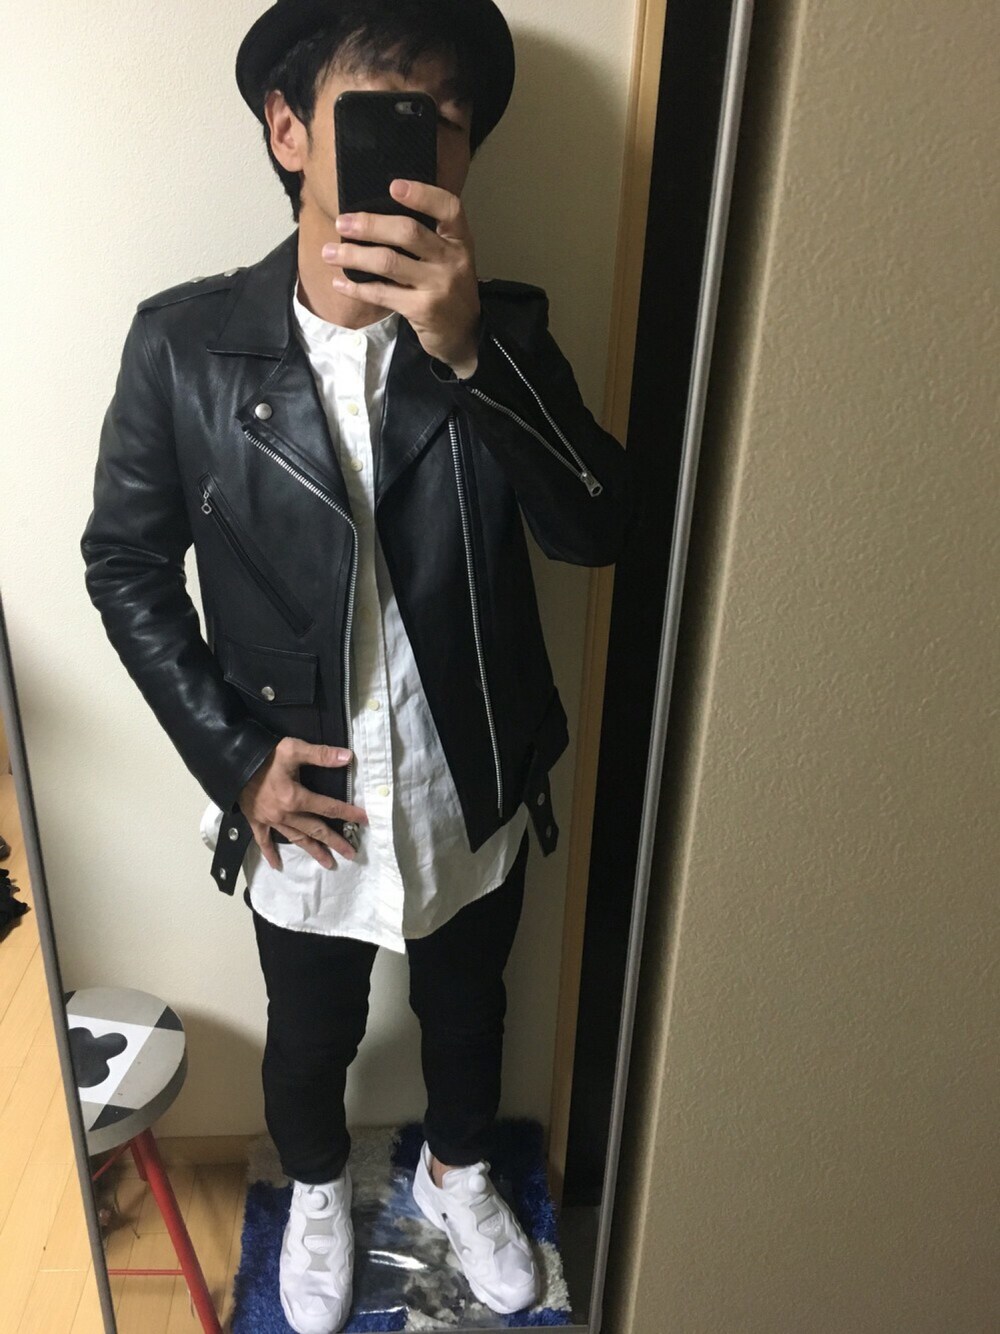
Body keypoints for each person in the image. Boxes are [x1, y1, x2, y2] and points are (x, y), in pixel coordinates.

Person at [80, 0, 633, 1329]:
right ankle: (320, 1190)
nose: (420, 145)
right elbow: (126, 565)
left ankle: (456, 1174)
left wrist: (471, 355)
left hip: (469, 775)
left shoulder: (504, 333)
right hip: (301, 786)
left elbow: (598, 529)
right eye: (384, 111)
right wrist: (236, 763)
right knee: (312, 1029)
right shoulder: (183, 349)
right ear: (288, 130)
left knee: (469, 1011)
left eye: (446, 124)